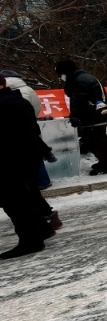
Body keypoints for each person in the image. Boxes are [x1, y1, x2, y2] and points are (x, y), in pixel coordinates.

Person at [0, 74, 56, 258]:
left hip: (10, 159)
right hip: (27, 156)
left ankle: (31, 242)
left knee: (15, 202)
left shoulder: (4, 104)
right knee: (25, 197)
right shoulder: (18, 100)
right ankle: (42, 230)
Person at [55, 60, 107, 176]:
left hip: (94, 115)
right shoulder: (82, 77)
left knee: (96, 141)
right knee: (97, 139)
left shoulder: (79, 81)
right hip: (97, 113)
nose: (60, 77)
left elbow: (79, 102)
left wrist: (75, 116)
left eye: (61, 74)